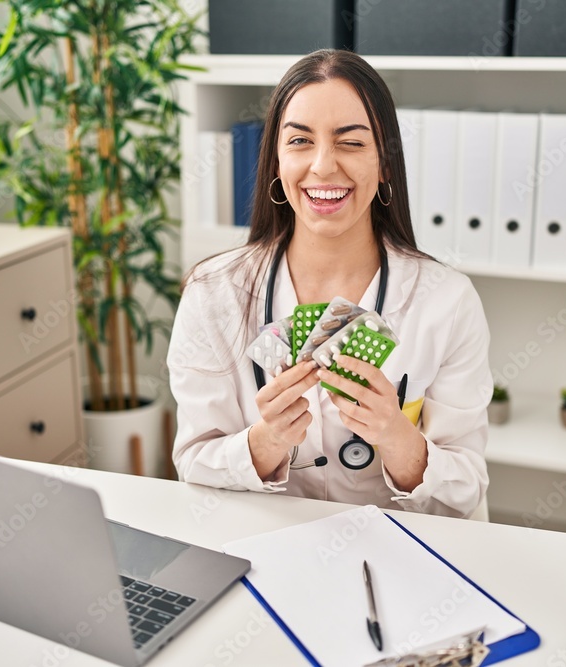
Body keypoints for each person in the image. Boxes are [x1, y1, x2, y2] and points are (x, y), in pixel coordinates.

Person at [167, 49, 492, 518]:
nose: (322, 166)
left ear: (384, 165)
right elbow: (192, 463)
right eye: (300, 141)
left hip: (400, 556)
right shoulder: (213, 293)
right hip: (266, 551)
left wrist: (398, 438)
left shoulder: (447, 301)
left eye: (351, 142)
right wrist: (267, 441)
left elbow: (466, 488)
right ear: (276, 162)